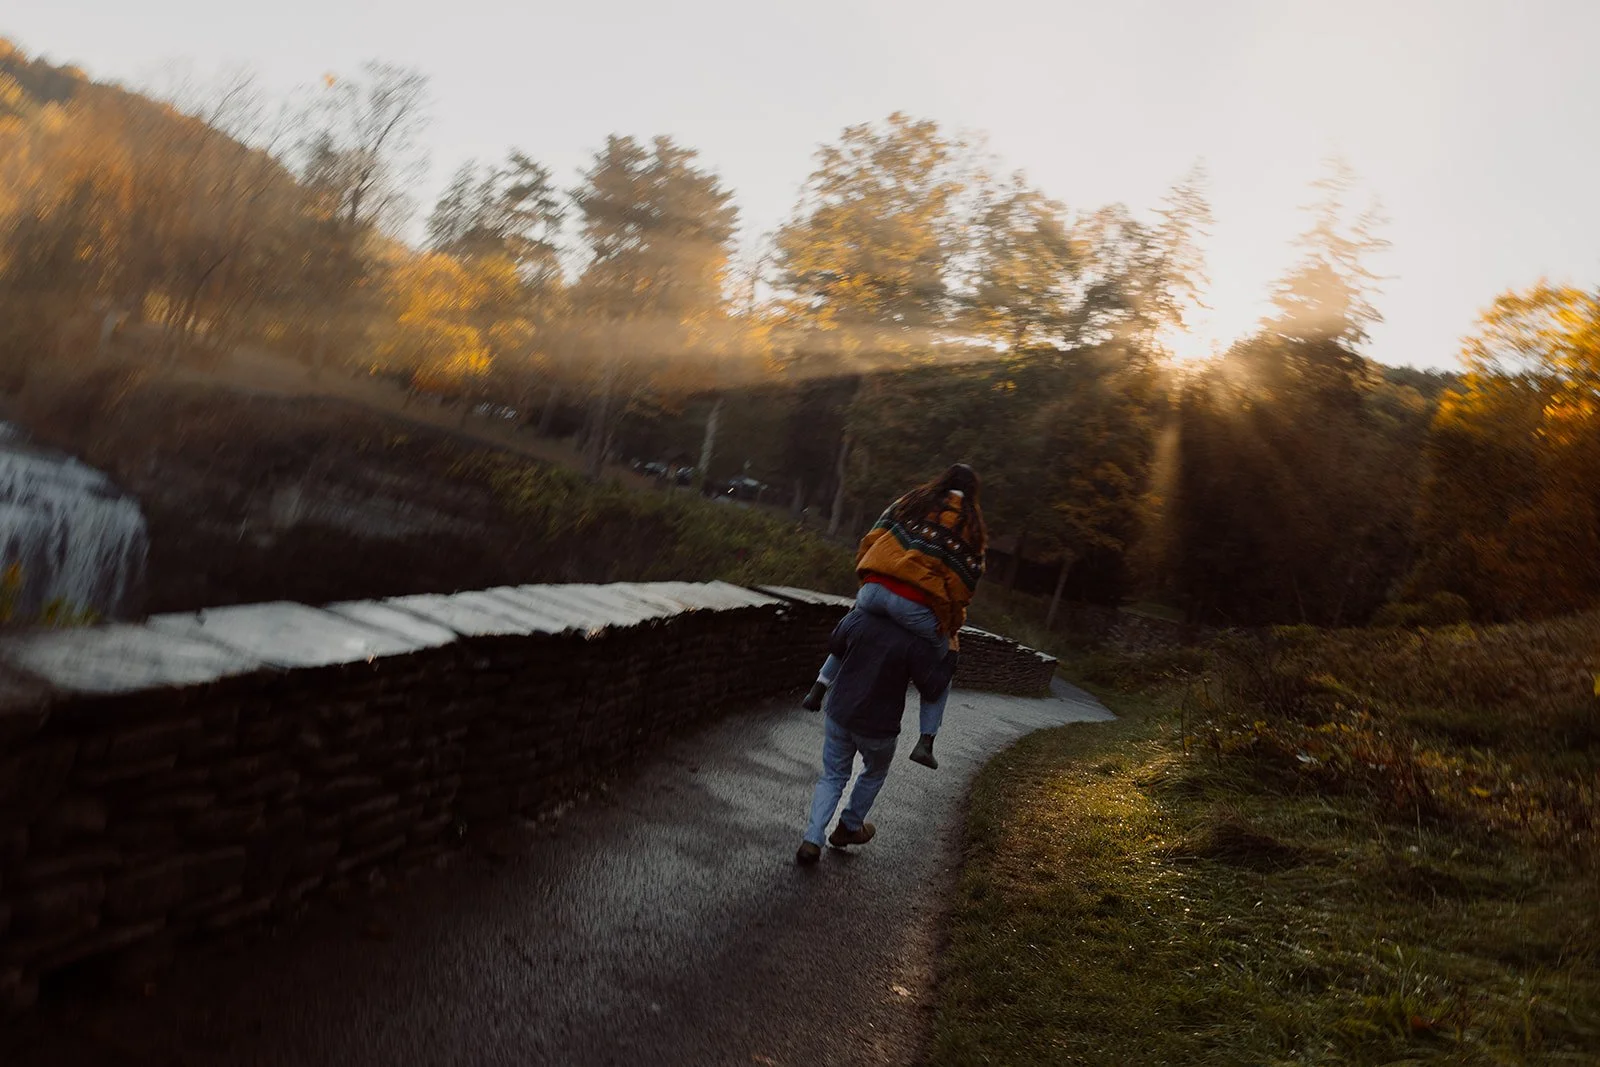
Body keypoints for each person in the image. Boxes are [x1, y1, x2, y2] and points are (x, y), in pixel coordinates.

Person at [801, 463, 988, 770]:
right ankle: (926, 742)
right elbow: (962, 585)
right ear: (972, 491)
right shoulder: (969, 524)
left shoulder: (913, 499)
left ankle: (818, 688)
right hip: (915, 606)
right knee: (945, 659)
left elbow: (872, 537)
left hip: (873, 591)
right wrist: (950, 624)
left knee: (852, 625)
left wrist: (869, 580)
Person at [796, 607, 957, 864]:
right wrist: (950, 655)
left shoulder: (863, 616)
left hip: (840, 713)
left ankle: (812, 840)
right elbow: (932, 688)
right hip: (879, 727)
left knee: (833, 776)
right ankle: (848, 827)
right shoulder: (916, 639)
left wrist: (819, 688)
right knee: (874, 772)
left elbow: (836, 646)